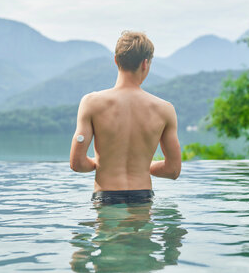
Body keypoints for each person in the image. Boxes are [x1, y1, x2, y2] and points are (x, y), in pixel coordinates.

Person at [69, 31, 181, 204]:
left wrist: (100, 163)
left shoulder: (91, 103)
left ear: (116, 60)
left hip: (106, 198)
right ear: (145, 64)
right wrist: (142, 167)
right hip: (142, 198)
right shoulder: (164, 109)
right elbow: (173, 170)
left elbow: (77, 163)